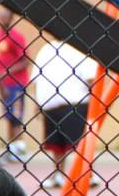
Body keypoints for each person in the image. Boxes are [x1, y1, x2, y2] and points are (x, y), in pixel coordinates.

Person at [35, 38, 97, 187]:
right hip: (50, 105)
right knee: (57, 145)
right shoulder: (46, 49)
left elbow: (91, 78)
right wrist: (37, 103)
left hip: (74, 104)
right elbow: (37, 78)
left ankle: (88, 175)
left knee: (78, 144)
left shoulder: (79, 48)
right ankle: (58, 175)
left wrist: (96, 102)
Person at [0, 6, 33, 163]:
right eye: (0, 17)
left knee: (16, 116)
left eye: (4, 17)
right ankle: (11, 147)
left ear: (11, 19)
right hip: (4, 85)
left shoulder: (16, 37)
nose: (1, 20)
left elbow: (26, 60)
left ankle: (19, 148)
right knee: (8, 116)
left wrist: (8, 71)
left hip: (16, 83)